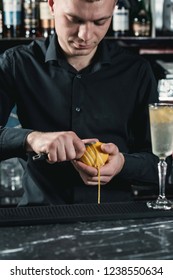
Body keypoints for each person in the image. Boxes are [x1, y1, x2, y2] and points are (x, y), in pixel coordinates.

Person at [0, 0, 159, 206]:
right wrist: (32, 139)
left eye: (100, 22)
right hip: (40, 214)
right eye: (74, 20)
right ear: (52, 4)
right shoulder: (16, 63)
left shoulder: (137, 71)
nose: (85, 35)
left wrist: (123, 164)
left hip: (114, 217)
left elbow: (161, 164)